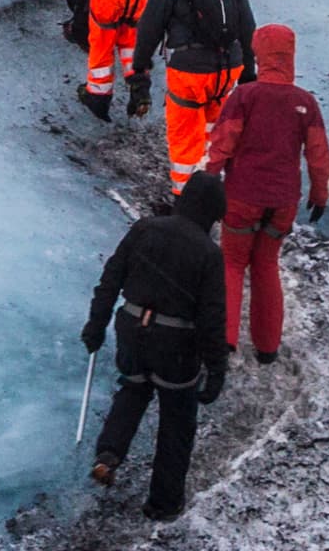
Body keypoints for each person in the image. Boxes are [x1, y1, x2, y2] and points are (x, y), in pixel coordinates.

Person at [83, 171, 229, 520]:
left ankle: (108, 455)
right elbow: (211, 318)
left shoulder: (144, 229)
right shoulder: (209, 253)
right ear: (213, 213)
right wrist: (216, 369)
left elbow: (111, 279)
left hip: (132, 329)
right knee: (177, 420)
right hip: (176, 346)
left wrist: (96, 324)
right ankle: (163, 504)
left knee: (133, 389)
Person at [200, 22, 329, 361]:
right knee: (266, 266)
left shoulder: (245, 96)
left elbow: (223, 142)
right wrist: (319, 195)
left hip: (242, 197)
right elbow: (319, 155)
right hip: (283, 203)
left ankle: (223, 341)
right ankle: (267, 347)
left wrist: (209, 179)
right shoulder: (305, 103)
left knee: (232, 263)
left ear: (259, 54)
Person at [138, 0, 254, 192]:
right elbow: (247, 23)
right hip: (228, 67)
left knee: (185, 135)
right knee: (216, 131)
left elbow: (151, 26)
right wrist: (248, 71)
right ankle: (216, 190)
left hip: (189, 70)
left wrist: (140, 68)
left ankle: (186, 199)